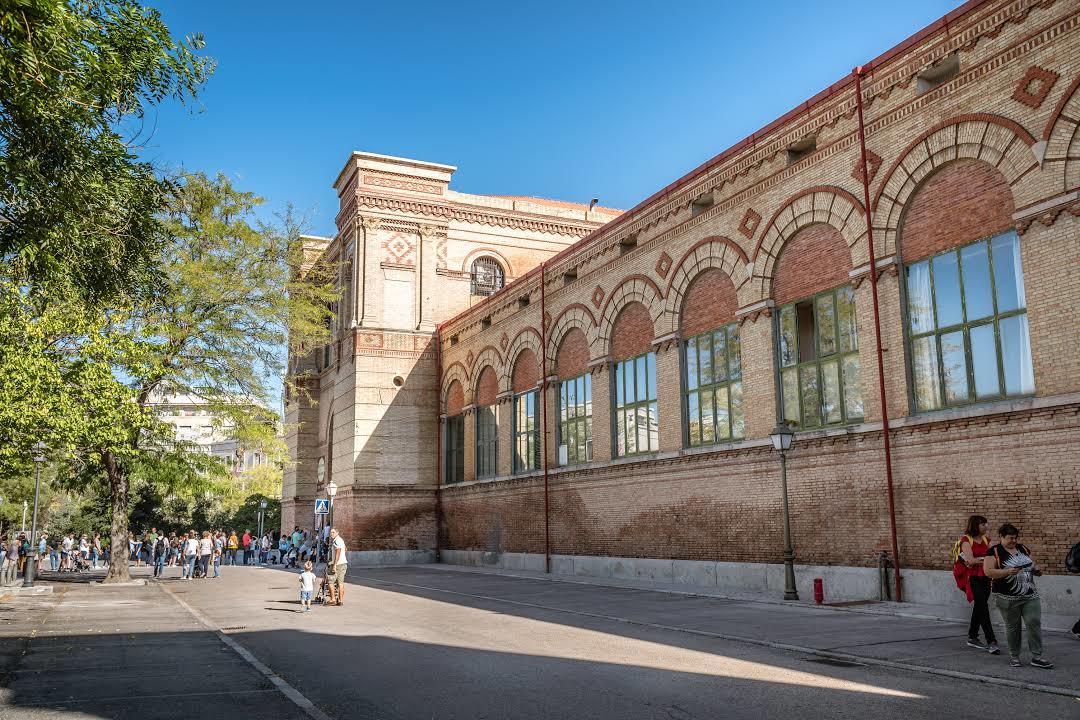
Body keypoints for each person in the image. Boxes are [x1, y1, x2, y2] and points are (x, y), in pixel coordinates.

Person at [984, 523, 1052, 669]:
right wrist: (1007, 572)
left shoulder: (1023, 548)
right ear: (1001, 536)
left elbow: (1032, 564)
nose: (1014, 541)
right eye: (1010, 538)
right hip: (1007, 597)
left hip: (1029, 594)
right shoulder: (994, 551)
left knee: (1034, 622)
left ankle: (1037, 656)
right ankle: (1014, 656)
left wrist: (1037, 570)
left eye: (1015, 538)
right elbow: (988, 571)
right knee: (1013, 627)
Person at [954, 515, 998, 653]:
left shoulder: (987, 540)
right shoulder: (966, 540)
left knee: (980, 606)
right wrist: (986, 559)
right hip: (972, 578)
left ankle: (972, 637)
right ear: (975, 526)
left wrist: (981, 560)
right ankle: (991, 641)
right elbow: (971, 561)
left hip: (986, 576)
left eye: (986, 524)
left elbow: (996, 557)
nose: (986, 526)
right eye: (983, 524)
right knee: (983, 607)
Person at [327, 528, 348, 607]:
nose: (331, 534)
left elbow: (338, 551)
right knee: (340, 583)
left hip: (337, 564)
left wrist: (335, 564)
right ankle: (341, 601)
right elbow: (345, 549)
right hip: (343, 563)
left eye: (333, 532)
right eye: (331, 532)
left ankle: (333, 599)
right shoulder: (341, 540)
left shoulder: (336, 541)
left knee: (330, 581)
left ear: (337, 533)